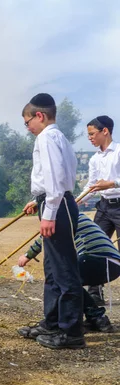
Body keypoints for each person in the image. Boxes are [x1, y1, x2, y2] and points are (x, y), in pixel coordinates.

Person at [20, 93, 84, 350]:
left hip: (56, 205)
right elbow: (58, 177)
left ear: (40, 116)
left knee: (65, 270)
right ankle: (53, 322)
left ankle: (71, 332)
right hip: (51, 201)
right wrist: (40, 200)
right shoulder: (59, 137)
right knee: (53, 270)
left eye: (27, 122)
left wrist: (49, 213)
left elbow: (56, 177)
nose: (27, 128)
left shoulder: (46, 137)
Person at [17, 213, 118, 337]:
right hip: (113, 265)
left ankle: (57, 325)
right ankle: (98, 319)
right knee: (71, 284)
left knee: (60, 280)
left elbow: (45, 236)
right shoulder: (76, 215)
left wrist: (27, 256)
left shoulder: (62, 216)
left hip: (93, 258)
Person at [77, 116, 118, 305]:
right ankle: (95, 292)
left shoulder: (118, 152)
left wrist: (112, 183)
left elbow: (105, 184)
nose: (90, 138)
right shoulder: (94, 159)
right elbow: (91, 186)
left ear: (105, 131)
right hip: (103, 207)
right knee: (95, 247)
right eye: (88, 135)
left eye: (92, 134)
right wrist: (75, 201)